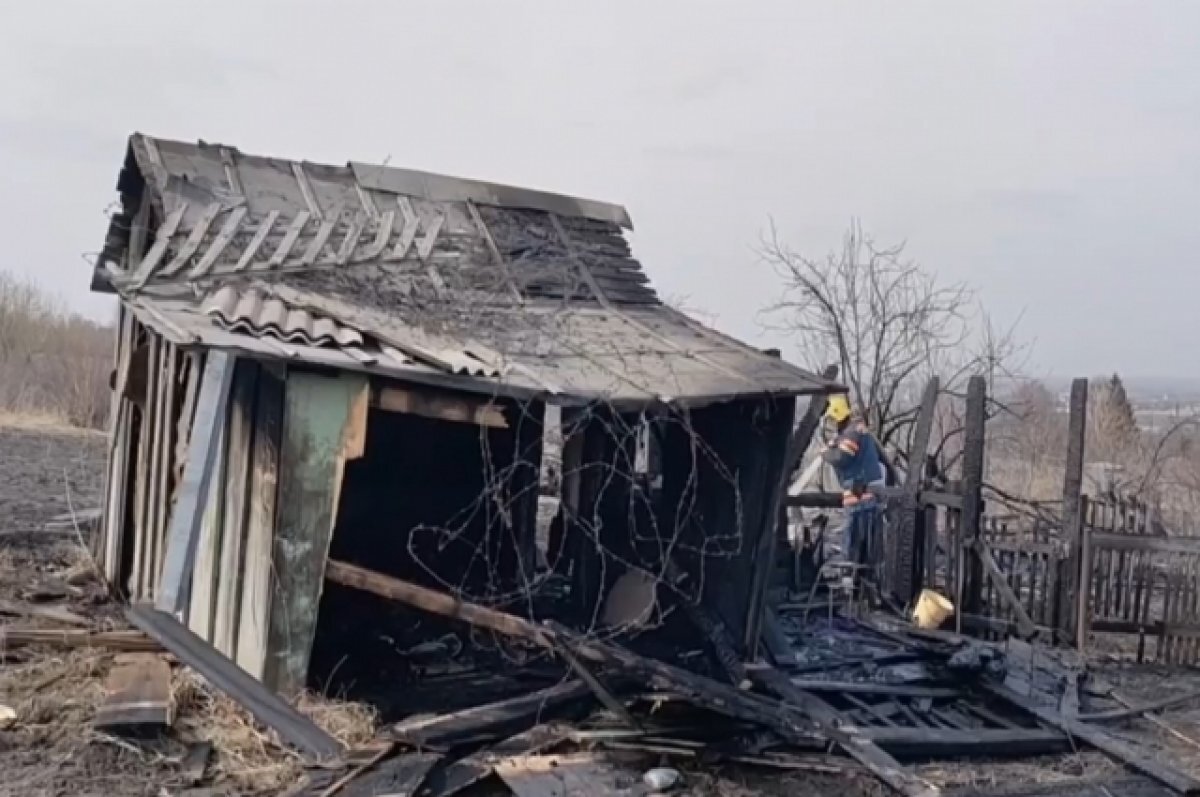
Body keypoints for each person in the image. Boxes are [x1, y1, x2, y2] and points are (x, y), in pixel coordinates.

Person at [820, 394, 886, 567]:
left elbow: (842, 457)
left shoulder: (852, 433)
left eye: (833, 419)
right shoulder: (855, 431)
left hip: (860, 494)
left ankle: (852, 579)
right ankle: (863, 579)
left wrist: (825, 453)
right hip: (863, 492)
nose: (833, 423)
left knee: (854, 544)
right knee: (868, 545)